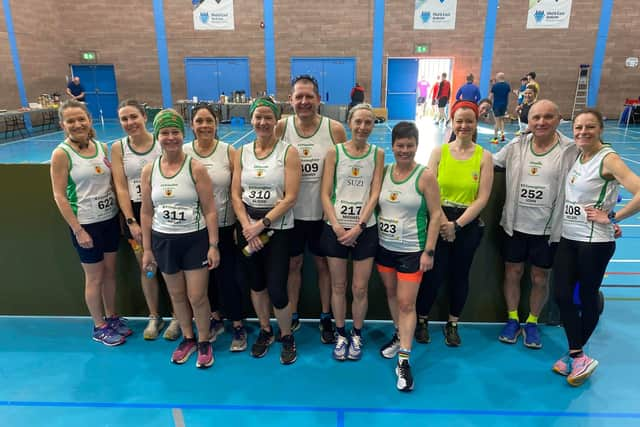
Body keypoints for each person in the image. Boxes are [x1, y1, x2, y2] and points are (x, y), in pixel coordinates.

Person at [552, 109, 640, 386]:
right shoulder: (580, 156)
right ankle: (577, 353)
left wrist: (613, 217)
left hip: (595, 242)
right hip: (570, 236)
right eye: (578, 127)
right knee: (562, 295)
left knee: (587, 297)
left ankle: (575, 355)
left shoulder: (608, 159)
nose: (582, 132)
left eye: (590, 127)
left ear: (600, 129)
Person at [493, 100, 577, 349]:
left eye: (548, 117)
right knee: (513, 272)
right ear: (528, 121)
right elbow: (492, 162)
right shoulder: (517, 145)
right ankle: (512, 319)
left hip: (547, 230)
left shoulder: (570, 150)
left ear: (558, 119)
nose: (541, 122)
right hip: (514, 225)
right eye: (536, 117)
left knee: (540, 278)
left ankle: (532, 322)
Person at [140, 109, 220, 369]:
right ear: (157, 137)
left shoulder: (195, 167)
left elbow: (209, 209)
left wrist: (213, 245)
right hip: (164, 242)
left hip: (194, 241)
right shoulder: (149, 170)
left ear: (182, 134)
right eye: (165, 133)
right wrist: (148, 250)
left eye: (175, 132)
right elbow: (146, 210)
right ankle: (187, 337)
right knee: (177, 296)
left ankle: (205, 341)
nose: (171, 137)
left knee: (197, 296)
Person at [50, 100, 131, 346]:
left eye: (81, 119)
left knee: (109, 274)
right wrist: (78, 229)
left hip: (108, 222)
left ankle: (112, 316)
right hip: (86, 225)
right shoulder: (61, 154)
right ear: (63, 125)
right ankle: (99, 326)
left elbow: (110, 185)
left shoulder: (101, 147)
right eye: (71, 121)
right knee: (94, 278)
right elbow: (60, 195)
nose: (77, 124)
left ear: (89, 120)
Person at [414, 100, 493, 346]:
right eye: (459, 120)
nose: (464, 125)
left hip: (466, 225)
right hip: (438, 219)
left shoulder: (484, 157)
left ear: (475, 123)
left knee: (460, 276)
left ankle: (452, 323)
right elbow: (428, 188)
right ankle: (422, 320)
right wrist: (442, 222)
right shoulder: (439, 152)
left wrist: (456, 225)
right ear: (452, 122)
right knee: (433, 276)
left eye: (469, 121)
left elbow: (482, 198)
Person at [276, 75, 347, 343]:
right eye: (298, 97)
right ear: (291, 100)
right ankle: (293, 314)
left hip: (322, 215)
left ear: (318, 99)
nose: (304, 102)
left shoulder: (334, 130)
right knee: (293, 265)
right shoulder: (281, 128)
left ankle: (326, 316)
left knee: (323, 266)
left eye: (309, 97)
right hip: (291, 214)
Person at [231, 97, 301, 364]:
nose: (262, 122)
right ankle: (265, 330)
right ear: (252, 119)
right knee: (256, 284)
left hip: (277, 229)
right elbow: (236, 195)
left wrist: (263, 224)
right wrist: (247, 225)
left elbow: (291, 196)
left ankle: (286, 335)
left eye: (268, 117)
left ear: (276, 121)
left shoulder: (288, 152)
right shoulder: (243, 152)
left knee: (277, 288)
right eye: (258, 117)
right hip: (248, 227)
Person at [376, 122, 442, 391]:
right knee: (392, 297)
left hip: (412, 251)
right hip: (384, 248)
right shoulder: (385, 172)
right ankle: (398, 334)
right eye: (399, 146)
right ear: (392, 146)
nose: (404, 150)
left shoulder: (424, 176)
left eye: (410, 146)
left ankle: (404, 359)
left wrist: (429, 251)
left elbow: (436, 215)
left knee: (406, 304)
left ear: (416, 146)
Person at [111, 99, 181, 341]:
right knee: (147, 267)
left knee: (171, 268)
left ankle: (177, 316)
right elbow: (120, 187)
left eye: (134, 117)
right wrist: (132, 221)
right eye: (124, 119)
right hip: (135, 214)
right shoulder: (119, 148)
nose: (130, 123)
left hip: (163, 209)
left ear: (144, 117)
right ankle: (154, 316)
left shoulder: (161, 142)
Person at [320, 103, 385, 361]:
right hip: (335, 229)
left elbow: (375, 192)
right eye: (358, 121)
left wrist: (359, 227)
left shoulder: (377, 154)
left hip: (364, 230)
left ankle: (356, 333)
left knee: (359, 288)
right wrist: (337, 226)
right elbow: (326, 194)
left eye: (368, 122)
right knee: (338, 285)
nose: (362, 127)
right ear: (350, 122)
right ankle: (340, 333)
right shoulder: (334, 153)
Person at [184, 103, 247, 352]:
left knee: (229, 278)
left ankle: (238, 324)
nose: (204, 125)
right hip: (194, 228)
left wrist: (235, 223)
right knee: (203, 281)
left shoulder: (229, 151)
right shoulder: (185, 152)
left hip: (224, 225)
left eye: (209, 120)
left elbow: (236, 190)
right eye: (199, 121)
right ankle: (215, 319)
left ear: (216, 123)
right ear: (192, 125)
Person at [489, 72, 511, 143]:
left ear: (498, 77)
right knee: (501, 121)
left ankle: (495, 138)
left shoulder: (495, 86)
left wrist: (487, 103)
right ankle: (502, 135)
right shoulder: (507, 86)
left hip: (496, 106)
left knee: (497, 121)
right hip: (504, 105)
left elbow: (490, 96)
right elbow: (508, 96)